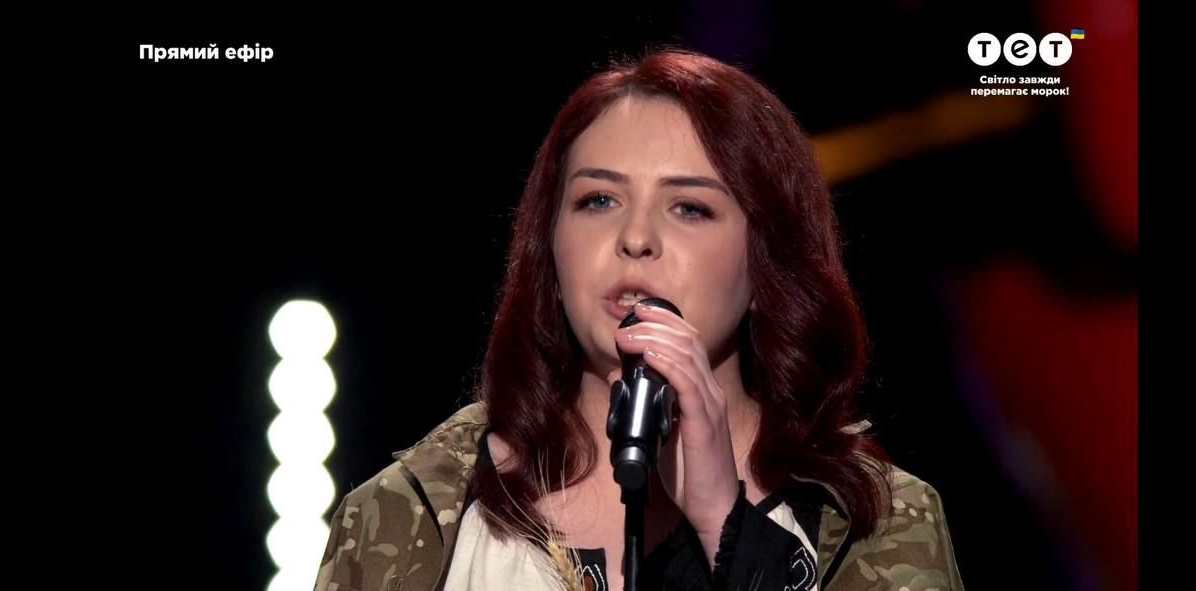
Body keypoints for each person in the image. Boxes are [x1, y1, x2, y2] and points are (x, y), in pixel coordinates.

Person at [315, 48, 963, 591]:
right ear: (550, 246)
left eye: (689, 207)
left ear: (767, 260)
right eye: (599, 199)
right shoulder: (411, 510)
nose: (635, 238)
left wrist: (725, 524)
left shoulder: (879, 523)